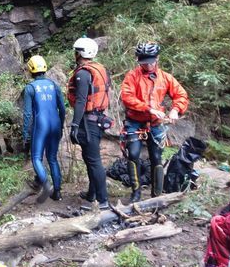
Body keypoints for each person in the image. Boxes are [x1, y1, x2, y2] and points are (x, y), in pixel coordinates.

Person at [121, 42, 189, 202]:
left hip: (157, 123)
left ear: (157, 58)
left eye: (151, 61)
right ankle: (136, 193)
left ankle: (156, 195)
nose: (148, 65)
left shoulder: (165, 78)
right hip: (135, 121)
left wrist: (175, 109)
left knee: (156, 157)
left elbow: (181, 95)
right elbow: (127, 97)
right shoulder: (132, 76)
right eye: (144, 62)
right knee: (134, 155)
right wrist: (148, 108)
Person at [68, 37, 111, 210]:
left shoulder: (83, 73)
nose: (75, 54)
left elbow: (81, 101)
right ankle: (92, 193)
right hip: (98, 118)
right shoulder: (99, 69)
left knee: (94, 160)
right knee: (89, 158)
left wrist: (74, 125)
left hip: (89, 121)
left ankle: (103, 201)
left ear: (80, 53)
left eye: (76, 51)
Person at [22, 55, 66, 202]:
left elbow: (28, 114)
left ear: (30, 70)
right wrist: (61, 125)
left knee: (36, 158)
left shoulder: (30, 88)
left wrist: (25, 134)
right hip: (56, 123)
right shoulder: (54, 85)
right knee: (52, 158)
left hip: (41, 125)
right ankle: (58, 192)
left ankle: (46, 184)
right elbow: (62, 108)